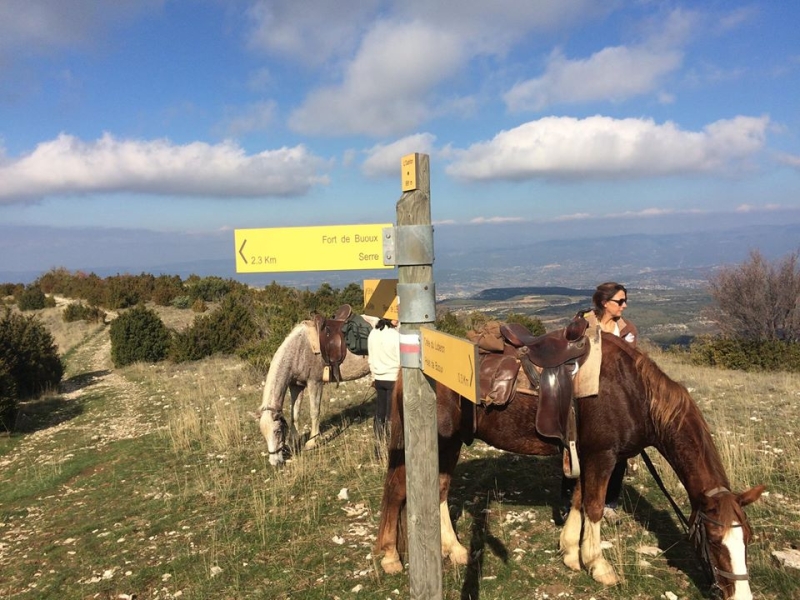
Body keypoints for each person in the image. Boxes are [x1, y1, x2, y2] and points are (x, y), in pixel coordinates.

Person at [560, 282, 638, 524]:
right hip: (586, 393)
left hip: (615, 399)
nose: (624, 305)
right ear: (605, 303)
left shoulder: (626, 329)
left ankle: (609, 504)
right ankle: (568, 504)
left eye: (625, 301)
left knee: (618, 455)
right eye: (620, 301)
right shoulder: (583, 324)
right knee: (576, 449)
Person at [367, 317, 400, 445]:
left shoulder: (373, 333)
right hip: (393, 378)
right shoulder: (395, 335)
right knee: (391, 414)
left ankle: (378, 444)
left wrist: (374, 375)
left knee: (380, 412)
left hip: (379, 378)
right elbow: (400, 360)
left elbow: (370, 358)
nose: (397, 318)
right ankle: (392, 443)